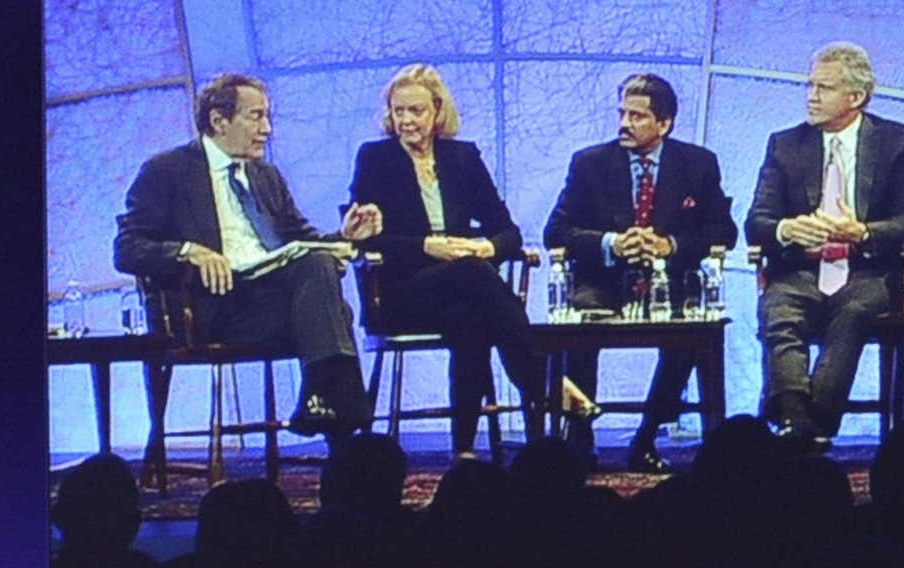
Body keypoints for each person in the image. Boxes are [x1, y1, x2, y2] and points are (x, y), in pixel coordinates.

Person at [114, 73, 382, 438]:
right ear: (219, 121)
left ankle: (324, 403)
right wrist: (188, 251)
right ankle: (343, 429)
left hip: (270, 303)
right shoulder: (166, 172)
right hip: (213, 307)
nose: (267, 129)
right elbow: (127, 248)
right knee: (333, 310)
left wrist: (345, 237)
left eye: (267, 117)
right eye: (255, 117)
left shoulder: (266, 176)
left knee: (323, 285)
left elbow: (299, 240)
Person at [350, 63, 581, 457]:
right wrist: (428, 247)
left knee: (473, 316)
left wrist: (486, 248)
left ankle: (464, 450)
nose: (405, 120)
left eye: (415, 111)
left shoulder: (462, 157)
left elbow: (507, 231)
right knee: (475, 279)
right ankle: (545, 384)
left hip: (463, 295)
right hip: (400, 293)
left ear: (437, 111)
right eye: (398, 111)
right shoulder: (375, 158)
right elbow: (371, 240)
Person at [544, 74, 739, 473]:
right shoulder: (590, 163)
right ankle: (579, 436)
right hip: (603, 281)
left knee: (688, 331)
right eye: (622, 113)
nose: (625, 123)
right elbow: (556, 231)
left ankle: (647, 435)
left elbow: (723, 230)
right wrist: (610, 243)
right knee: (580, 323)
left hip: (671, 283)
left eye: (637, 115)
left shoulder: (698, 164)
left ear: (664, 123)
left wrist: (672, 246)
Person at [746, 41, 904, 449]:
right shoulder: (784, 144)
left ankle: (817, 418)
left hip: (865, 270)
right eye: (809, 86)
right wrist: (787, 230)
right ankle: (795, 419)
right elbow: (757, 221)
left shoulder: (898, 142)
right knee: (779, 310)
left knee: (854, 310)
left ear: (856, 97)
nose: (811, 96)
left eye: (823, 88)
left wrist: (861, 231)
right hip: (799, 269)